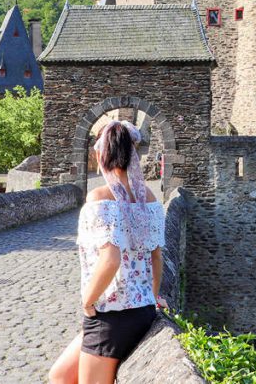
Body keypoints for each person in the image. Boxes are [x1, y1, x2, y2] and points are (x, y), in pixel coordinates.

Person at [49, 120, 168, 384]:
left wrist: (87, 301)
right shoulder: (150, 200)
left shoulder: (100, 197)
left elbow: (110, 259)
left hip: (110, 315)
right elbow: (156, 257)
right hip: (141, 311)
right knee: (60, 375)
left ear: (103, 154)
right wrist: (154, 295)